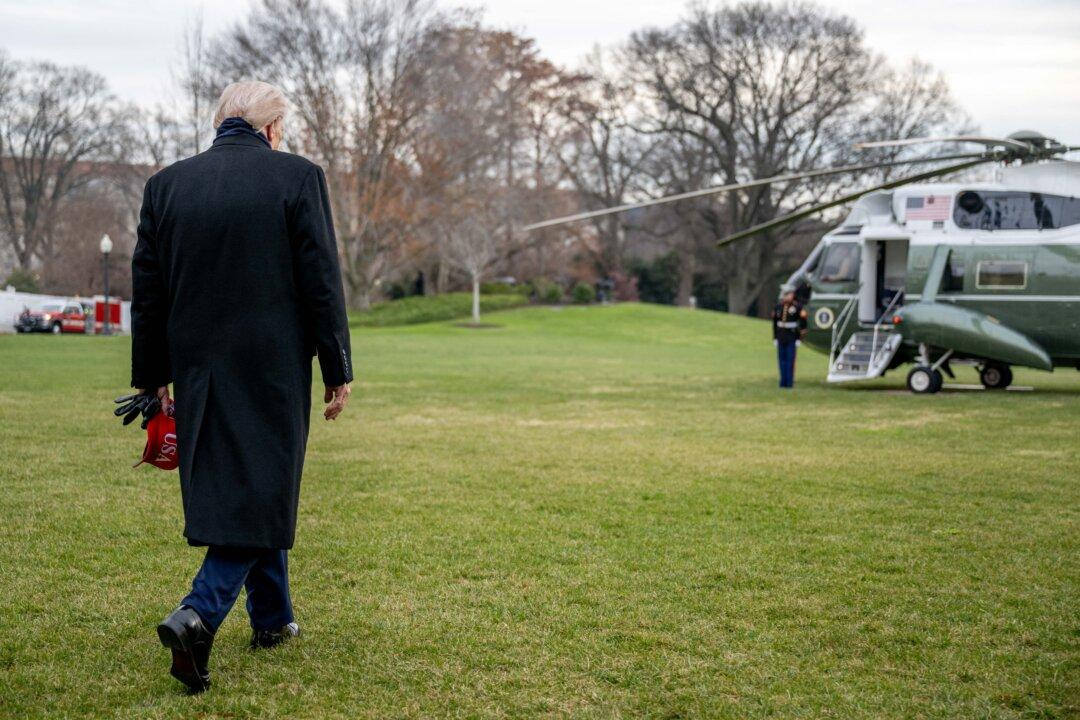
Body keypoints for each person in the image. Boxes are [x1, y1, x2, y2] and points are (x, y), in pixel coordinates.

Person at [130, 81, 354, 693]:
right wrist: (337, 368)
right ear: (273, 128)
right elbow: (321, 281)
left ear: (219, 122)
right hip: (273, 367)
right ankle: (198, 614)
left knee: (255, 483)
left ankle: (273, 620)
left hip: (199, 367)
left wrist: (152, 380)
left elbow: (147, 294)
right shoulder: (297, 177)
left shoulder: (166, 186)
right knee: (264, 483)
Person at [772, 288, 807, 388]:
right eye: (787, 294)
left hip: (792, 336)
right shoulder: (778, 306)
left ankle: (789, 383)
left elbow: (803, 323)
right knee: (781, 360)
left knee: (790, 360)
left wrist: (799, 339)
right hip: (781, 336)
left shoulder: (797, 307)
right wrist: (775, 337)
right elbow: (775, 323)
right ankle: (782, 382)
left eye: (790, 294)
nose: (789, 296)